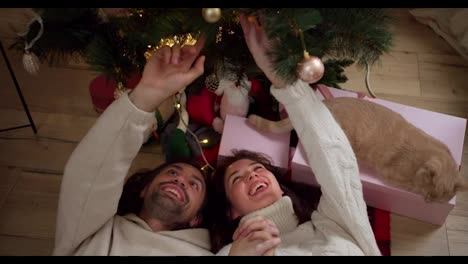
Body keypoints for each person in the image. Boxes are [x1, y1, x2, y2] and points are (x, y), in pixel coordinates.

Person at [208, 13, 382, 256]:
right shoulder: (231, 253)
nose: (252, 175)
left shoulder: (333, 220)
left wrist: (286, 83)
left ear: (280, 187)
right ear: (231, 211)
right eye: (236, 179)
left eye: (258, 169)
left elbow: (334, 154)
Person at [53, 35, 215, 255]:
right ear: (144, 190)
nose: (179, 179)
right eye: (173, 172)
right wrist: (147, 94)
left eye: (194, 184)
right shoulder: (93, 233)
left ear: (197, 218)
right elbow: (90, 174)